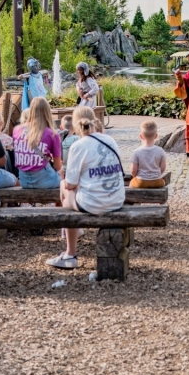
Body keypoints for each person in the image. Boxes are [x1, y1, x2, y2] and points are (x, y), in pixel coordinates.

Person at [48, 106, 125, 269]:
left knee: (64, 186)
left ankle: (70, 252)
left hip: (95, 203)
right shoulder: (110, 140)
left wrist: (65, 179)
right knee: (74, 188)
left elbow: (70, 183)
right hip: (116, 199)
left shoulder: (79, 146)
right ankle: (75, 230)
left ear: (75, 126)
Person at [12, 97, 62, 189]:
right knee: (65, 181)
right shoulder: (52, 134)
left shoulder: (17, 130)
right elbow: (57, 166)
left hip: (24, 181)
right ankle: (60, 204)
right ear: (47, 112)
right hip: (45, 180)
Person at [130, 121, 167, 188]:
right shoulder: (160, 151)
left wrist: (135, 176)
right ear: (156, 136)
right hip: (157, 181)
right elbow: (163, 168)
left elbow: (133, 170)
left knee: (131, 183)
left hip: (141, 182)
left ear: (141, 136)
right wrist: (157, 175)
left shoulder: (136, 152)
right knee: (163, 182)